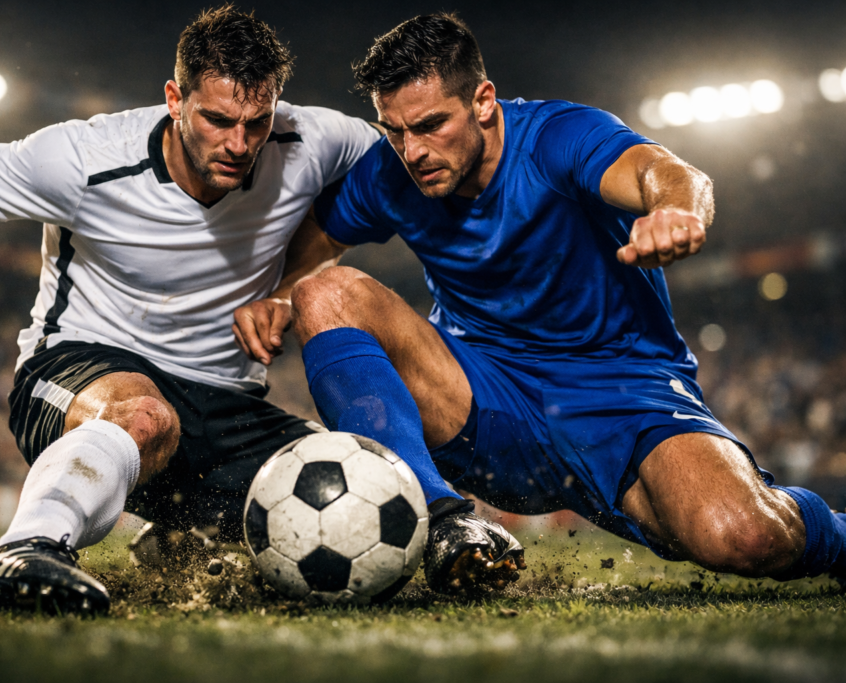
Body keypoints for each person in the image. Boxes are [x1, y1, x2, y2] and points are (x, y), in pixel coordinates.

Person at [234, 13, 846, 593]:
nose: (411, 150)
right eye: (394, 130)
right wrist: (282, 293)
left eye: (429, 126)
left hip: (620, 393)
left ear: (482, 100)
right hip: (484, 400)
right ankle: (444, 521)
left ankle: (838, 537)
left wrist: (674, 212)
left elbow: (663, 170)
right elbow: (318, 243)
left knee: (743, 537)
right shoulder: (389, 175)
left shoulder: (557, 138)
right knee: (327, 293)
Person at [0, 6, 381, 613]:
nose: (239, 144)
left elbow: (399, 176)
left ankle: (179, 537)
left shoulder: (313, 139)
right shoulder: (85, 159)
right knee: (144, 416)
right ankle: (28, 547)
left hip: (224, 403)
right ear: (174, 98)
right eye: (218, 120)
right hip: (79, 369)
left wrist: (285, 287)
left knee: (348, 481)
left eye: (257, 123)